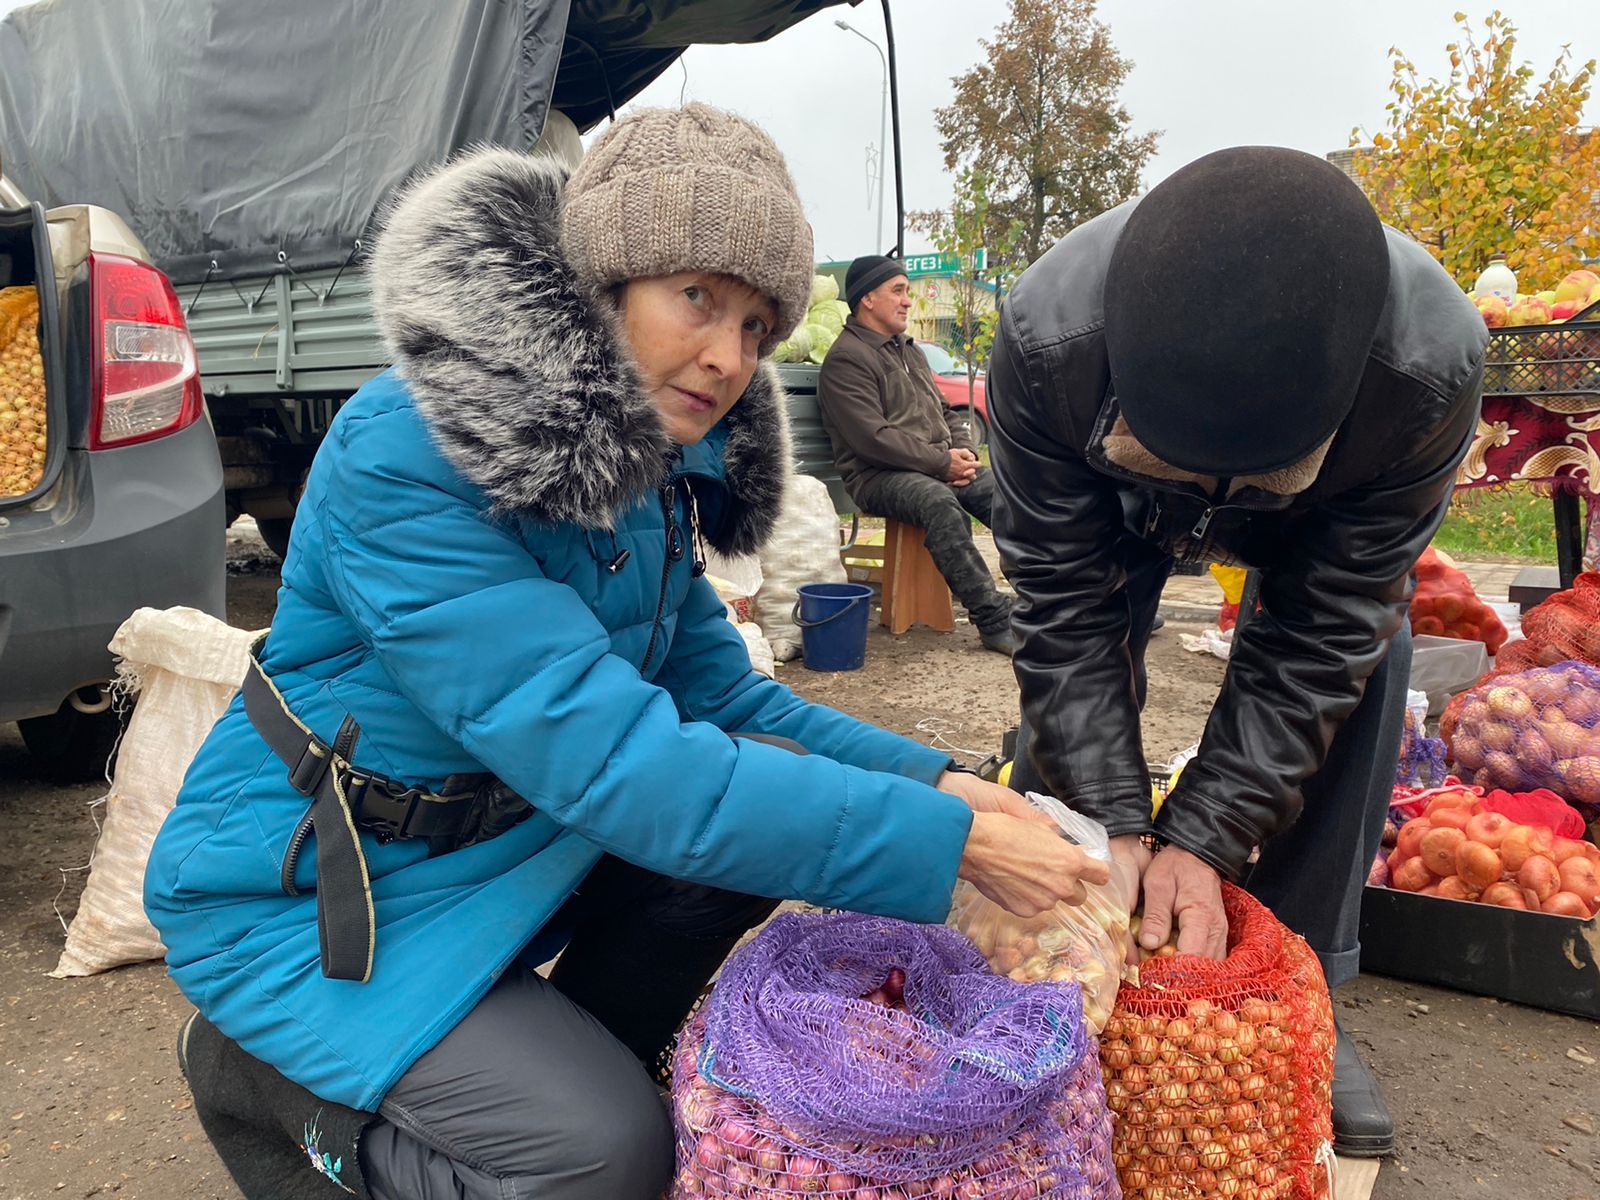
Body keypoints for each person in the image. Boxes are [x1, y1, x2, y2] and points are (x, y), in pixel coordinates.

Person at [142, 105, 1108, 1200]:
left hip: (501, 856)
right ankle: (280, 1092)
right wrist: (947, 844)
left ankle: (511, 1068)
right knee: (604, 1157)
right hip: (324, 897)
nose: (727, 356)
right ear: (602, 280)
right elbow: (621, 766)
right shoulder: (407, 453)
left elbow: (726, 703)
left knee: (734, 863)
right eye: (697, 297)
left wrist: (944, 783)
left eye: (756, 325)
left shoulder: (646, 472)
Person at [987, 146, 1487, 1158]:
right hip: (1109, 505)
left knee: (1368, 660)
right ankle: (1050, 967)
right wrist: (1117, 821)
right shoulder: (1050, 341)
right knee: (1071, 715)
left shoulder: (1427, 373)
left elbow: (1319, 632)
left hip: (1316, 521)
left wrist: (1207, 839)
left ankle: (1295, 980)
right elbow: (1061, 608)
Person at [817, 256, 1019, 654]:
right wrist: (941, 464)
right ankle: (993, 618)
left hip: (934, 466)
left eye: (907, 291)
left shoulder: (911, 352)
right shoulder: (846, 359)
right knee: (940, 504)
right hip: (878, 477)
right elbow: (873, 439)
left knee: (1011, 497)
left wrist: (960, 450)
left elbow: (946, 411)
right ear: (867, 299)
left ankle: (1059, 600)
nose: (908, 301)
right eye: (898, 291)